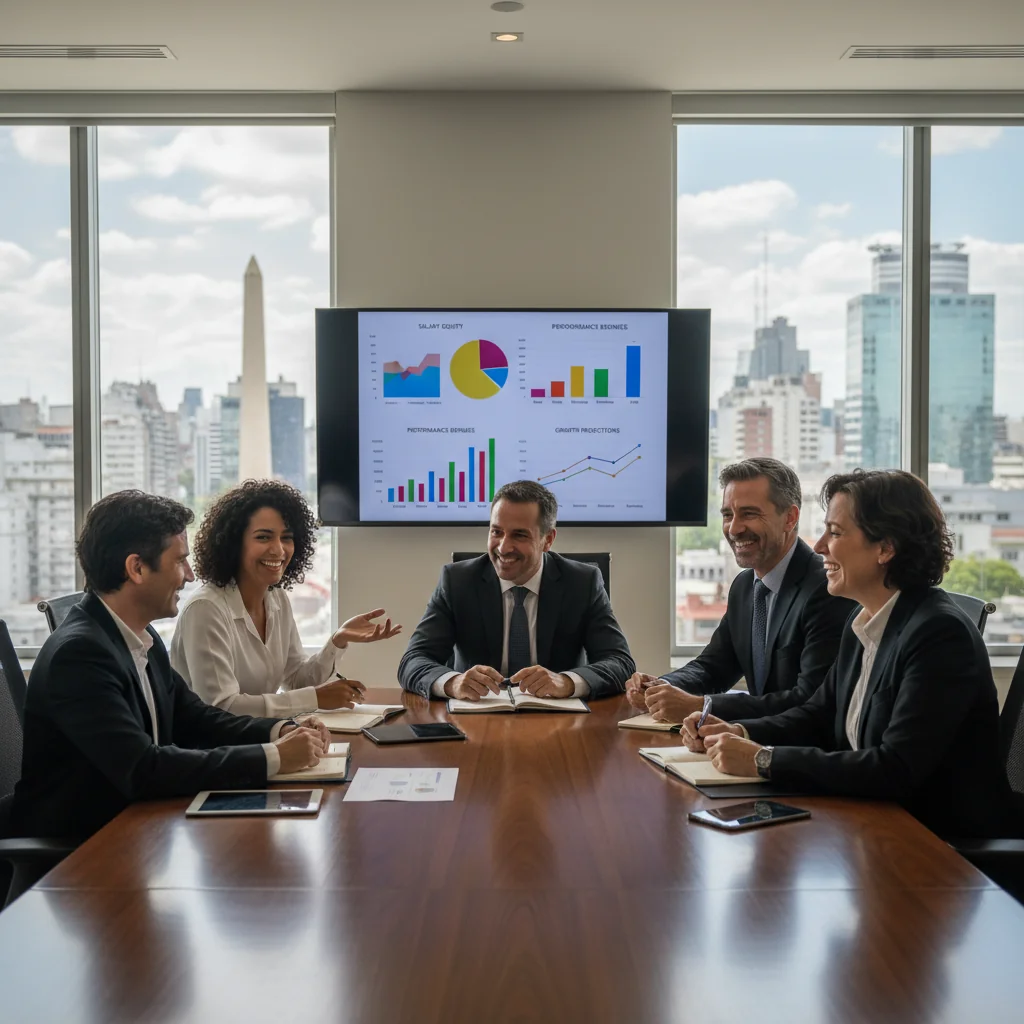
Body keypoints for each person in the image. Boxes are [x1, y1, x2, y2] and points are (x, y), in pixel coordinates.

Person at [683, 469, 1019, 840]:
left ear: (885, 547)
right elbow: (818, 715)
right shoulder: (864, 621)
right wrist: (739, 732)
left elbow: (895, 768)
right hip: (868, 824)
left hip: (935, 848)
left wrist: (764, 760)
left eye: (836, 533)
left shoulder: (939, 634)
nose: (820, 545)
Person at [9, 490, 331, 842]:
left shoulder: (140, 637)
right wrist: (273, 757)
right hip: (83, 852)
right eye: (180, 561)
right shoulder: (80, 656)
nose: (190, 576)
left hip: (141, 826)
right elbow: (143, 769)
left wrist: (279, 731)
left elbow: (195, 717)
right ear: (137, 568)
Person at [629, 458, 854, 724]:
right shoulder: (745, 586)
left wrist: (704, 706)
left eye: (749, 514)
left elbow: (807, 700)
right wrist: (660, 687)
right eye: (727, 515)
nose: (734, 528)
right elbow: (713, 667)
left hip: (800, 752)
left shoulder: (826, 590)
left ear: (790, 518)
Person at [171, 480, 401, 717]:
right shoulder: (206, 609)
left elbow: (295, 680)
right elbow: (221, 707)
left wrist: (337, 641)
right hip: (214, 749)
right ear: (233, 543)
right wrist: (316, 698)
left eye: (286, 538)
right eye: (263, 537)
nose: (279, 550)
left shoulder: (276, 598)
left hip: (257, 740)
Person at [398, 480, 635, 700]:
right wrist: (452, 682)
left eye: (519, 535)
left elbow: (620, 662)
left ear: (548, 539)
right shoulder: (458, 581)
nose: (503, 547)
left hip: (556, 717)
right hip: (475, 717)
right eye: (496, 532)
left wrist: (566, 682)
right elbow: (413, 661)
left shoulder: (582, 582)